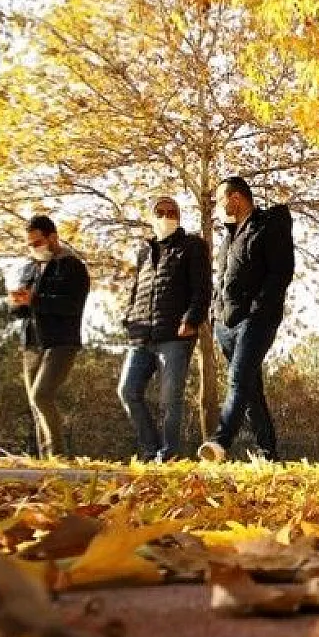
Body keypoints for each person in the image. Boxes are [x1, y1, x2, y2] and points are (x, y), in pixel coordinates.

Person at [198, 176, 294, 462]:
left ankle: (219, 442)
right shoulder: (229, 236)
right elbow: (223, 281)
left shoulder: (269, 226)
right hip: (225, 324)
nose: (216, 207)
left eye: (219, 200)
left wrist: (257, 310)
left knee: (238, 379)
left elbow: (281, 273)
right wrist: (215, 315)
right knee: (251, 389)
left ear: (236, 198)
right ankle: (269, 454)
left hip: (256, 321)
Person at [117, 195, 211, 461]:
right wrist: (128, 318)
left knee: (170, 398)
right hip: (141, 336)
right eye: (161, 212)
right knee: (128, 391)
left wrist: (191, 320)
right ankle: (150, 448)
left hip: (175, 336)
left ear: (179, 216)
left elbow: (202, 289)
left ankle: (167, 454)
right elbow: (137, 290)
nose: (166, 216)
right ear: (151, 216)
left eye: (172, 212)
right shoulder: (144, 253)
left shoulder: (192, 246)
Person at [8, 215, 90, 459]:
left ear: (53, 237)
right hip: (31, 342)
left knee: (41, 394)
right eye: (30, 245)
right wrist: (17, 301)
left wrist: (35, 300)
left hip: (61, 342)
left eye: (38, 243)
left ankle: (60, 457)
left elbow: (72, 305)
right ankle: (46, 461)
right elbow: (19, 310)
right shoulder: (29, 268)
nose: (34, 248)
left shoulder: (72, 266)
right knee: (35, 404)